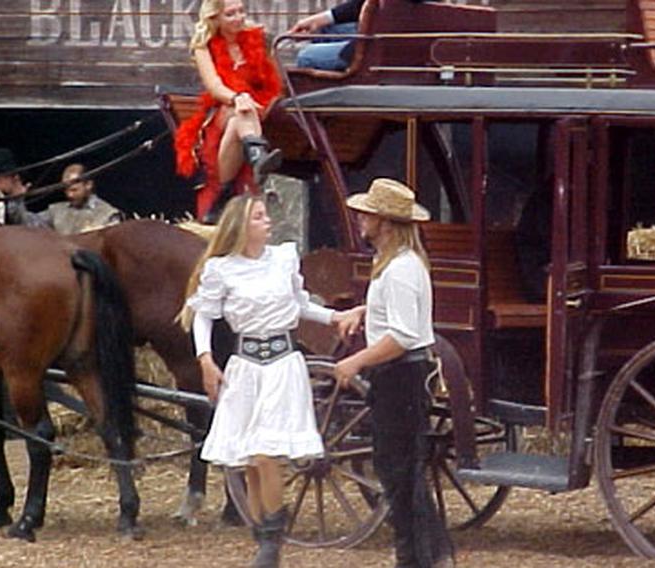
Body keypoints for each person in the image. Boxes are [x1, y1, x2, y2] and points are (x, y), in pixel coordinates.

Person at [180, 193, 357, 567]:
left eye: (265, 215)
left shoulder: (283, 259)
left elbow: (300, 305)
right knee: (250, 460)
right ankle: (262, 535)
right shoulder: (221, 269)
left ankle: (271, 544)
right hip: (245, 365)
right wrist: (206, 360)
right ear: (242, 227)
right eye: (259, 216)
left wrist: (334, 317)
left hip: (281, 364)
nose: (268, 221)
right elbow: (203, 316)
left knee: (267, 453)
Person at [333, 178, 454, 568]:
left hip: (399, 376)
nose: (360, 219)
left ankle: (415, 558)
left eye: (366, 214)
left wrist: (357, 360)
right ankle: (431, 555)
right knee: (400, 470)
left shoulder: (400, 270)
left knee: (400, 474)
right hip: (401, 377)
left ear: (384, 222)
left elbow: (402, 336)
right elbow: (399, 317)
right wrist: (364, 312)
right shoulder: (395, 264)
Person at [175, 0, 283, 221]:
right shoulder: (204, 46)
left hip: (253, 114)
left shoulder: (257, 39)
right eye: (231, 14)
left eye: (242, 11)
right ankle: (257, 156)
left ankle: (226, 189)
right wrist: (237, 97)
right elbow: (214, 86)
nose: (239, 17)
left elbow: (274, 84)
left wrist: (252, 101)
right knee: (236, 112)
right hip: (223, 110)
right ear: (216, 18)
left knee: (240, 118)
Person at [290, 0, 425, 71]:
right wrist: (320, 19)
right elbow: (363, 5)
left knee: (305, 56)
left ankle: (326, 111)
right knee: (327, 29)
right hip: (388, 35)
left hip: (382, 46)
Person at [43, 163, 123, 235]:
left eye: (74, 190)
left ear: (88, 185)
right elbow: (33, 222)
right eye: (66, 190)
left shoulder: (108, 215)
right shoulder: (56, 211)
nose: (69, 195)